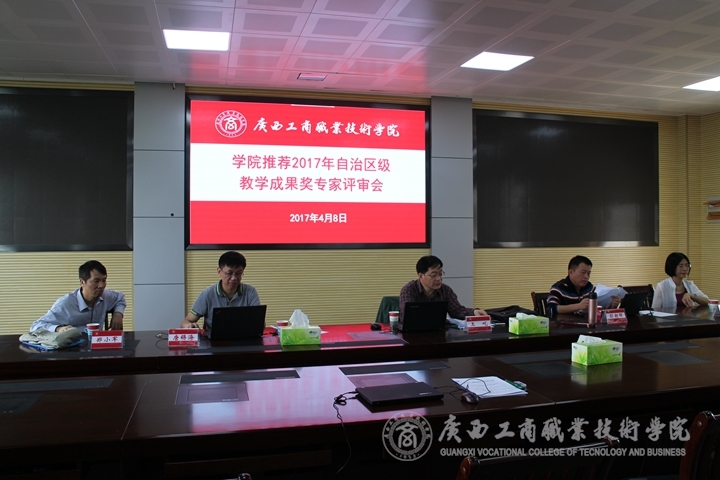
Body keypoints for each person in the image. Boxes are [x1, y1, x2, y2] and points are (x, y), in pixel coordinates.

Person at [31, 260, 126, 332]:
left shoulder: (105, 296)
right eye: (96, 281)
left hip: (96, 347)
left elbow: (120, 298)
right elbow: (36, 326)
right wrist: (58, 329)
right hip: (73, 348)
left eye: (104, 280)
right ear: (82, 282)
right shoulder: (65, 304)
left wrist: (118, 314)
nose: (101, 285)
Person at [181, 251, 260, 334]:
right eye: (229, 273)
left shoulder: (250, 292)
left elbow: (259, 322)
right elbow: (186, 321)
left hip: (244, 338)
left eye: (238, 273)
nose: (234, 278)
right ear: (219, 271)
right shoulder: (207, 294)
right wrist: (189, 325)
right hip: (214, 339)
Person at [399, 255, 486, 322]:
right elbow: (406, 317)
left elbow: (457, 311)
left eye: (440, 274)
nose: (438, 278)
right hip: (413, 334)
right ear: (421, 276)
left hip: (438, 333)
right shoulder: (409, 290)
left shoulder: (445, 290)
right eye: (434, 275)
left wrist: (474, 312)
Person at [547, 255, 620, 316]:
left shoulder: (589, 287)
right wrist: (578, 306)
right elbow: (550, 309)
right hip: (564, 327)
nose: (586, 277)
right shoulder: (559, 288)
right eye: (583, 272)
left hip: (586, 325)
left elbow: (597, 311)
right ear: (571, 272)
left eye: (588, 273)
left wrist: (611, 306)